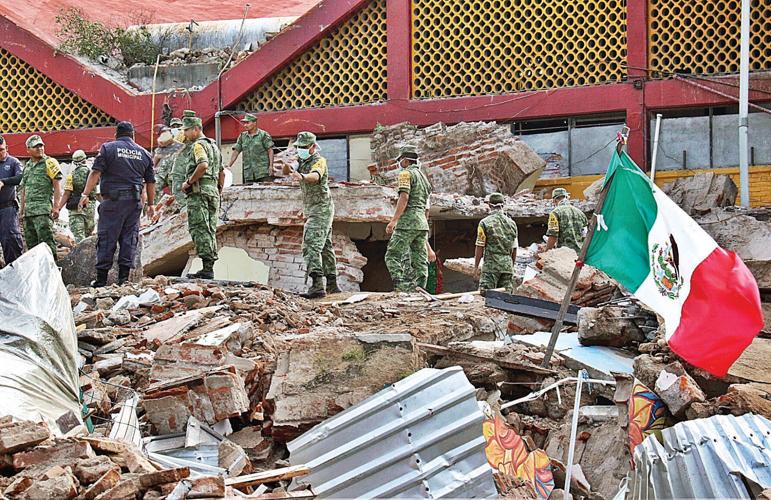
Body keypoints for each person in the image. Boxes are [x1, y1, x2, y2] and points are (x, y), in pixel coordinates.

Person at [78, 122, 155, 286]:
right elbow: (150, 182)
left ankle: (101, 280)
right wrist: (151, 204)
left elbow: (95, 172)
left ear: (116, 135)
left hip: (113, 202)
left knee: (107, 237)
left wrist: (85, 194)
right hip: (134, 203)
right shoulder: (145, 153)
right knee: (129, 238)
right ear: (133, 136)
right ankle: (123, 279)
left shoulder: (108, 148)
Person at [284, 131, 339, 298]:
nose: (300, 149)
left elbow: (315, 176)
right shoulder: (301, 160)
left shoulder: (319, 161)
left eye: (304, 147)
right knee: (325, 246)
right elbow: (288, 170)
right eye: (298, 147)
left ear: (313, 146)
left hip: (321, 209)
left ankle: (317, 286)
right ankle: (332, 285)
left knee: (310, 245)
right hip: (313, 209)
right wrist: (288, 166)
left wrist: (301, 176)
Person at [180, 113, 224, 280]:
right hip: (212, 192)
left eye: (187, 130)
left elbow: (203, 165)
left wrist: (188, 182)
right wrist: (218, 190)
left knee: (200, 228)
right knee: (210, 229)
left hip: (199, 193)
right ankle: (209, 266)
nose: (185, 134)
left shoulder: (198, 145)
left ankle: (207, 268)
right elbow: (221, 172)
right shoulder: (214, 146)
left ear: (196, 129)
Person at [384, 145, 432, 292]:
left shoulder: (405, 174)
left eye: (400, 160)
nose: (400, 163)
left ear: (405, 160)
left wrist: (394, 220)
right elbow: (426, 206)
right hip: (422, 224)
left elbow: (404, 197)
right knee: (420, 259)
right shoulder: (424, 178)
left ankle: (402, 287)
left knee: (392, 255)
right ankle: (420, 288)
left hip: (407, 222)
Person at [20, 135, 62, 260]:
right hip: (28, 213)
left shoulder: (50, 162)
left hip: (43, 211)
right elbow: (24, 189)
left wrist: (56, 207)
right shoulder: (27, 166)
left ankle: (52, 268)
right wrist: (22, 211)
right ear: (28, 150)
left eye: (41, 146)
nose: (40, 149)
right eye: (36, 147)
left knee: (47, 244)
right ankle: (37, 270)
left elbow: (57, 185)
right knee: (32, 247)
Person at [474, 192, 518, 295]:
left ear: (489, 205)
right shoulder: (512, 224)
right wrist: (511, 266)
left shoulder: (484, 223)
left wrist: (476, 267)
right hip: (507, 267)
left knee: (486, 296)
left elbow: (480, 246)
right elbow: (514, 248)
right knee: (505, 298)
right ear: (503, 205)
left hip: (491, 267)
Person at [56, 150, 97, 243]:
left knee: (79, 239)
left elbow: (67, 193)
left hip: (75, 210)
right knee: (88, 239)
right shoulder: (93, 175)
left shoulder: (71, 175)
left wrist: (58, 209)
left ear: (74, 162)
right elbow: (97, 193)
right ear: (85, 159)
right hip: (90, 210)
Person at [228, 113, 274, 184]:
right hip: (249, 173)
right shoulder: (242, 136)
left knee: (265, 189)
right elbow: (236, 151)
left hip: (263, 172)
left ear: (254, 123)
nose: (245, 125)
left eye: (247, 123)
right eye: (244, 123)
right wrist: (229, 165)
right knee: (248, 190)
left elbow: (270, 151)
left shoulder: (263, 135)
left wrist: (271, 166)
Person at [0, 136, 24, 264]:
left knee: (10, 240)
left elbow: (21, 177)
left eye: (1, 150)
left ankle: (14, 268)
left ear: (7, 148)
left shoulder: (13, 162)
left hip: (7, 208)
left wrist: (4, 182)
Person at [545, 187, 588, 253]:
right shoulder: (580, 213)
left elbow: (553, 235)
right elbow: (585, 235)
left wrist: (547, 253)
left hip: (565, 254)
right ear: (567, 198)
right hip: (580, 253)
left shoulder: (555, 213)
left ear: (554, 200)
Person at [154, 130, 184, 198]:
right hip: (163, 173)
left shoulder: (181, 145)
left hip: (176, 174)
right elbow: (157, 157)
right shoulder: (163, 146)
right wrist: (153, 168)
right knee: (154, 189)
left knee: (177, 195)